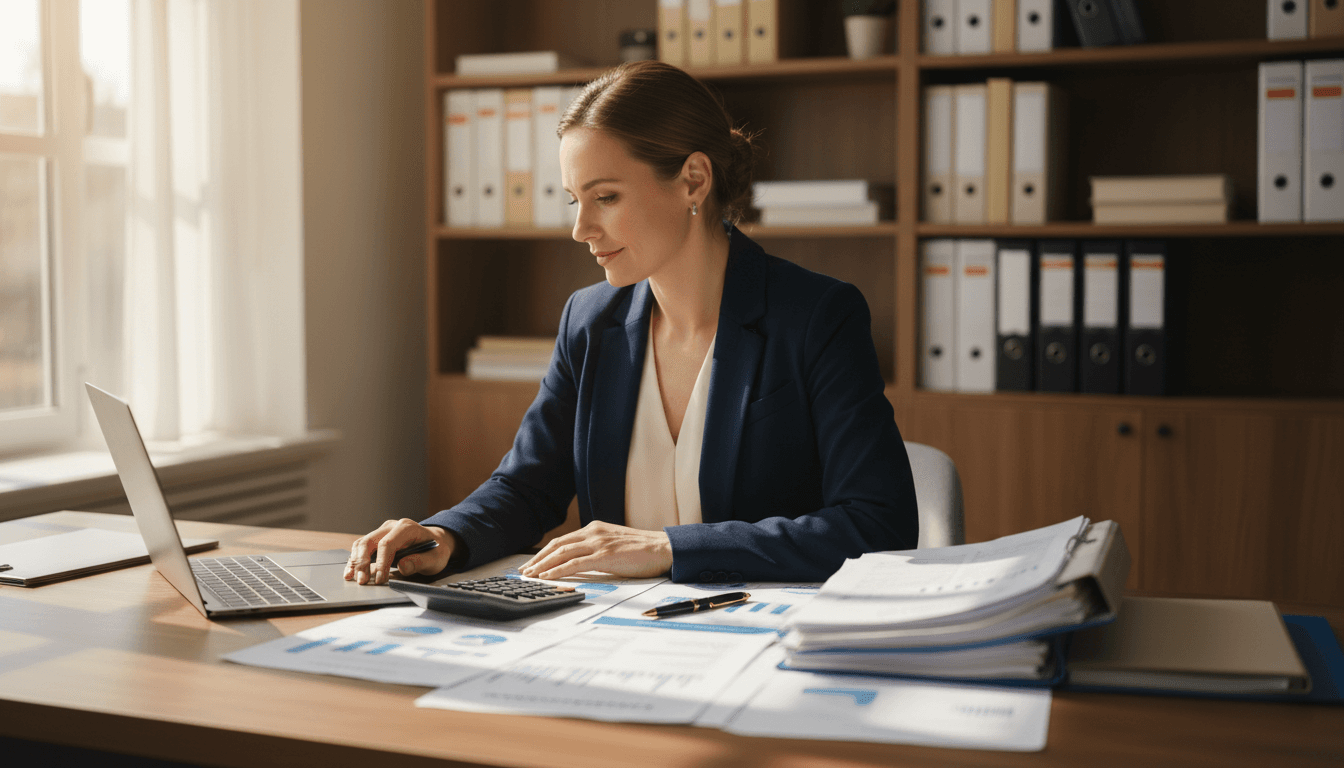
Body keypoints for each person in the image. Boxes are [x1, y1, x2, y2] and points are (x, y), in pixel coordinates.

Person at [345, 60, 917, 587]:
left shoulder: (817, 317)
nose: (582, 228)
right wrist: (448, 535)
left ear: (694, 180)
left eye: (607, 197)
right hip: (617, 633)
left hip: (757, 637)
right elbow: (527, 486)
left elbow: (878, 524)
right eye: (575, 201)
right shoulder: (590, 321)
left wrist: (671, 548)